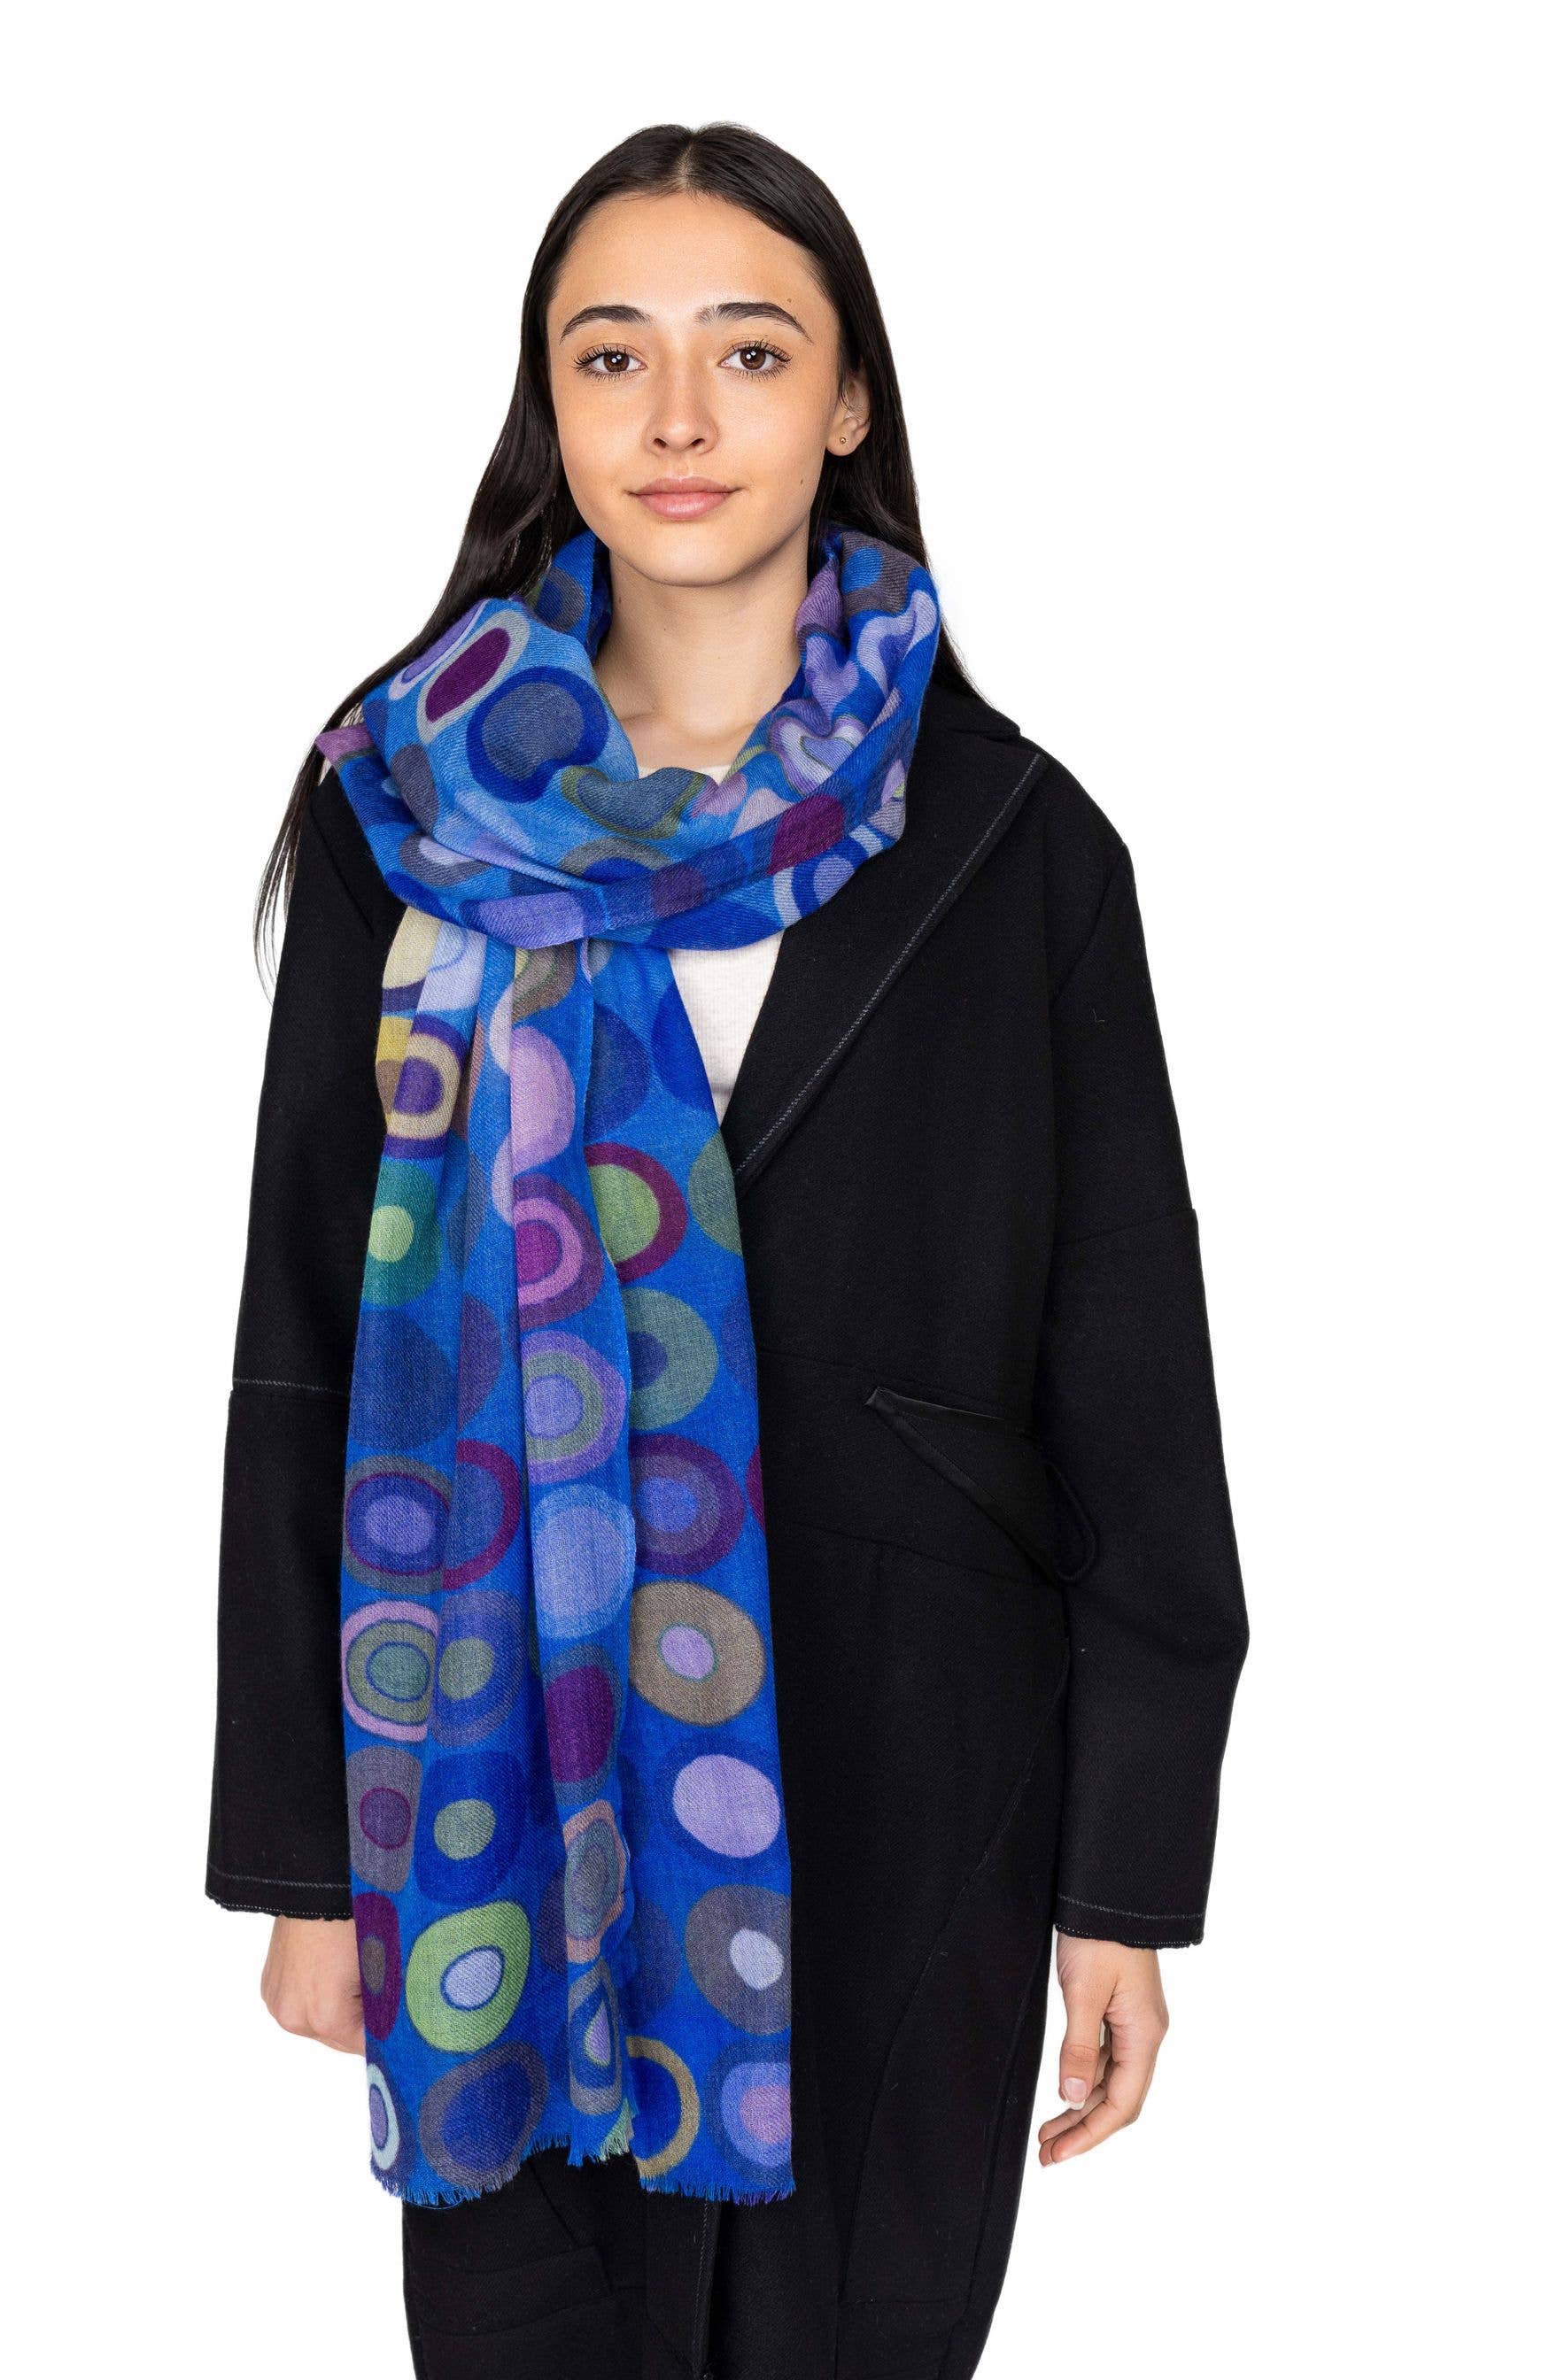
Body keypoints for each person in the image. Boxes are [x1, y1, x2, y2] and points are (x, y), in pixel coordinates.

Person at [205, 118, 1249, 2380]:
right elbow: (304, 1345)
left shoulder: (1019, 843)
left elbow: (1131, 1372)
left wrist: (1124, 1881)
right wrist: (300, 1853)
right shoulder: (404, 812)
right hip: (493, 1773)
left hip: (914, 1768)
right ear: (549, 403)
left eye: (750, 352)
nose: (678, 418)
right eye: (614, 356)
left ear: (849, 399)